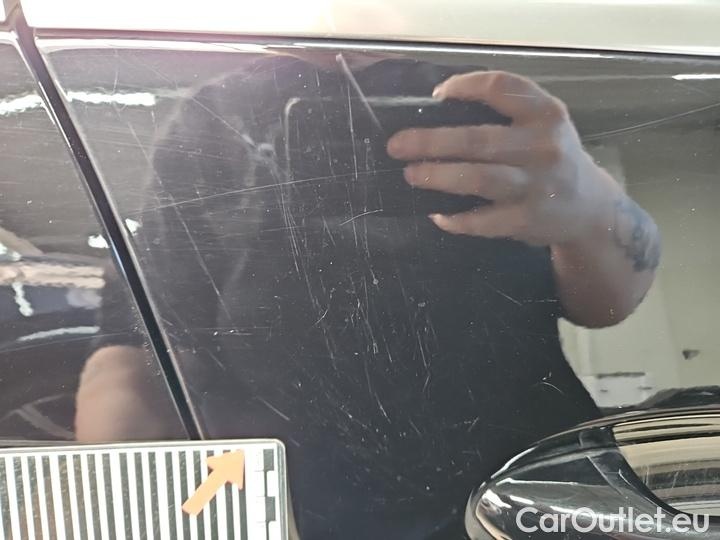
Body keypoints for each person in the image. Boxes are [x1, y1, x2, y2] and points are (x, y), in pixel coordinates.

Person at [76, 52, 660, 539]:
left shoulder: (484, 94)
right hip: (302, 508)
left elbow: (610, 302)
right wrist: (120, 508)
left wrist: (586, 202)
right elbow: (135, 356)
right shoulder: (209, 121)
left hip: (527, 501)